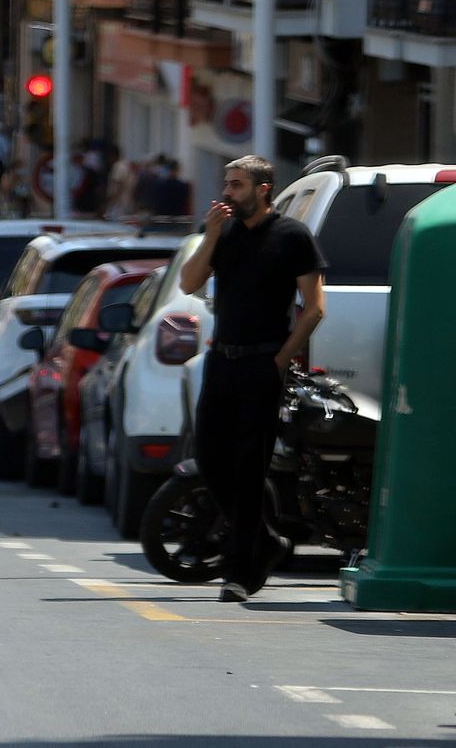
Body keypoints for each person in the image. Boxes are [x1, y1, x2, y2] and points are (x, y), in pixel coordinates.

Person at [178, 155, 326, 604]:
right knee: (209, 456)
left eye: (237, 185)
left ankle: (239, 572)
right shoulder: (225, 234)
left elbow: (314, 307)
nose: (227, 192)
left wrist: (280, 360)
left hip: (263, 364)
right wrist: (212, 235)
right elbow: (188, 283)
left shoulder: (292, 237)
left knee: (248, 469)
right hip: (222, 360)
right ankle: (265, 539)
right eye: (226, 183)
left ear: (263, 189)